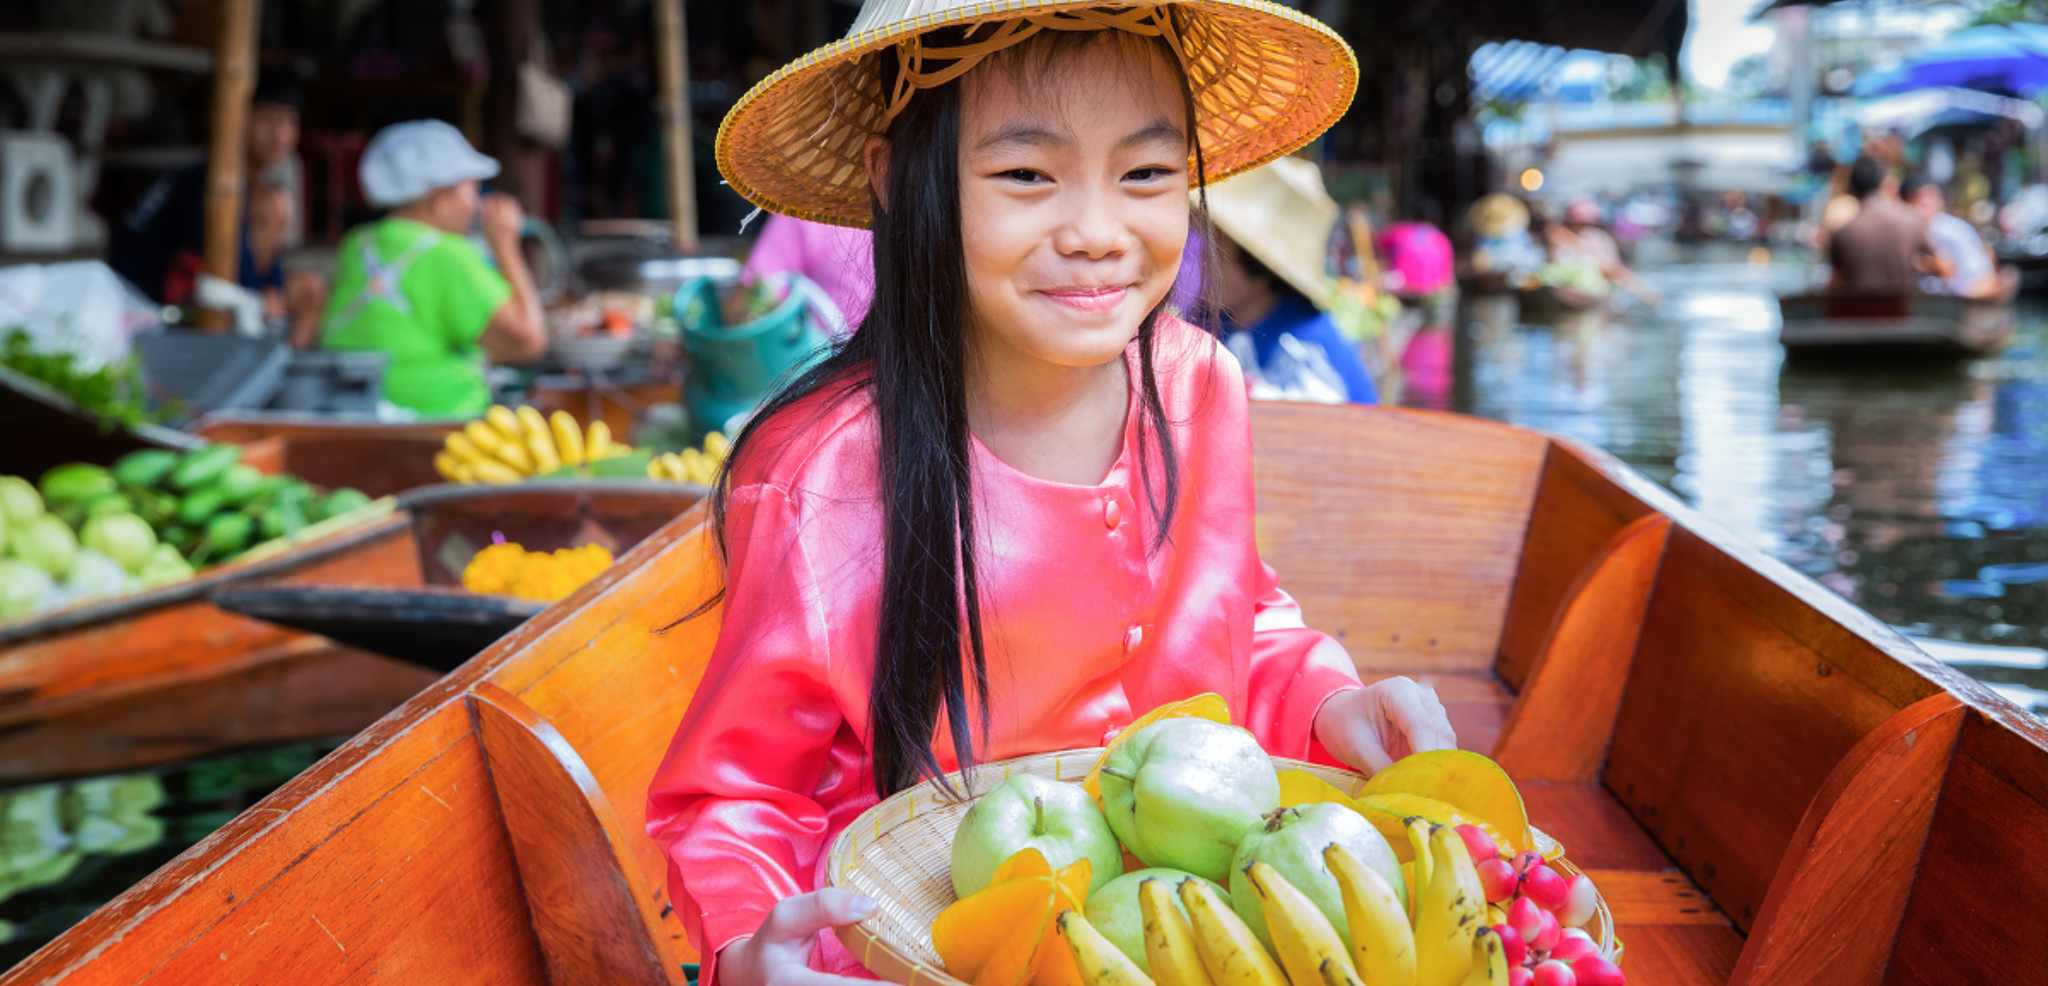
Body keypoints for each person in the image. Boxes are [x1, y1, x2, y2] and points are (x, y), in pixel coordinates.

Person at [643, 7, 1458, 986]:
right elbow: (736, 795)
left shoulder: (1198, 383)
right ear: (899, 179)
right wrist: (747, 948)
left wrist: (1330, 702)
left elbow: (1244, 614)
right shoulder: (821, 466)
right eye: (1027, 174)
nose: (1096, 232)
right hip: (919, 946)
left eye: (1146, 173)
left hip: (1187, 934)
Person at [318, 120, 546, 418]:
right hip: (439, 426)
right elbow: (527, 344)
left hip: (358, 416)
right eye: (470, 190)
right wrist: (507, 248)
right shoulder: (448, 255)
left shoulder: (356, 244)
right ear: (439, 198)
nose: (477, 204)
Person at [109, 71, 304, 304]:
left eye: (289, 122)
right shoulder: (210, 181)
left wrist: (273, 288)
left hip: (200, 286)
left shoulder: (251, 183)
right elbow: (227, 259)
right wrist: (258, 296)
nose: (280, 134)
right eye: (267, 119)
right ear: (239, 119)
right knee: (272, 205)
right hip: (146, 298)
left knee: (309, 288)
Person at [1206, 158, 1378, 404]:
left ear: (1260, 268)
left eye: (1218, 257)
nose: (1203, 266)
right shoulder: (1214, 322)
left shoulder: (1308, 346)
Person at [740, 213, 874, 334]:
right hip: (826, 349)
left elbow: (745, 304)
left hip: (818, 351)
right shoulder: (805, 215)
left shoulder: (805, 212)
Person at [1829, 158, 1931, 293]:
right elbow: (1944, 267)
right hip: (1901, 309)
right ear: (1882, 183)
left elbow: (1836, 282)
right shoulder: (1911, 220)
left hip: (1859, 311)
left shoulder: (1842, 233)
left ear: (1852, 190)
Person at [1901, 173, 1997, 298]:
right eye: (1918, 200)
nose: (1926, 204)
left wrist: (1941, 269)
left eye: (1930, 198)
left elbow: (1985, 280)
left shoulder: (1954, 231)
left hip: (1952, 307)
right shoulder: (1900, 230)